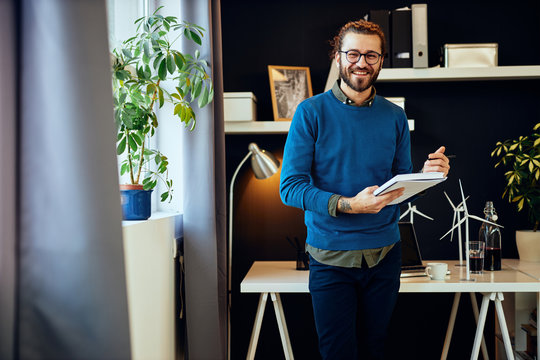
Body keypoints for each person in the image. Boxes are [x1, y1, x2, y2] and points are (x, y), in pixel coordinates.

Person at [279, 19, 450, 360]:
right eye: (353, 53)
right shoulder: (310, 112)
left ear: (381, 60)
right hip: (329, 259)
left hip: (386, 257)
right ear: (338, 57)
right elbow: (290, 188)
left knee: (375, 349)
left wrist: (429, 176)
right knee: (337, 353)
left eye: (371, 55)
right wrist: (348, 205)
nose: (361, 63)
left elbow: (401, 183)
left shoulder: (394, 116)